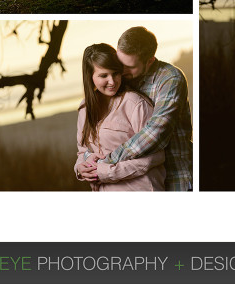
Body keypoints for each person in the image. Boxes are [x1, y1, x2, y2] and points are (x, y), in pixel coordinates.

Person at [84, 27, 193, 191]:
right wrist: (87, 160)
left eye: (129, 66)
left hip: (176, 179)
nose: (122, 71)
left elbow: (155, 132)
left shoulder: (170, 78)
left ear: (149, 61)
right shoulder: (122, 80)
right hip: (136, 182)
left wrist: (108, 161)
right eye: (120, 63)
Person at [74, 44, 165, 191]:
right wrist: (80, 168)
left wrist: (104, 172)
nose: (112, 81)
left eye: (115, 73)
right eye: (104, 75)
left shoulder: (135, 103)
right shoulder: (85, 108)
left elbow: (156, 156)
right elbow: (82, 151)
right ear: (90, 77)